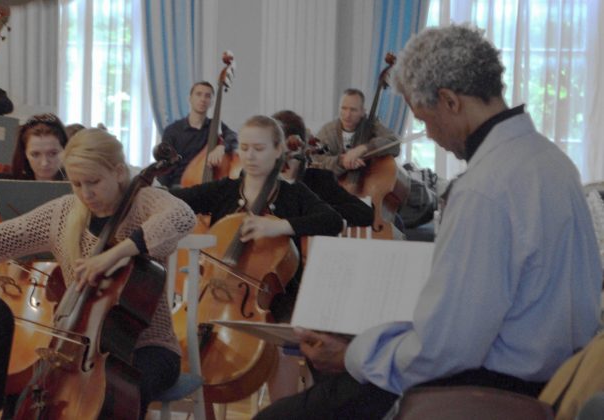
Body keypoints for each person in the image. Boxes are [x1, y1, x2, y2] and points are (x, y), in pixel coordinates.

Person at [255, 24, 602, 420]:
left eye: (426, 119)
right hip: (558, 377)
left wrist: (354, 352)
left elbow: (444, 351)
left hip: (488, 387)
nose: (431, 136)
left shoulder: (483, 189)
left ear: (450, 101)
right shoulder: (554, 163)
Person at [0, 128, 196, 419]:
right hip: (77, 349)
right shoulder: (63, 213)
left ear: (117, 171)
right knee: (23, 393)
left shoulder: (144, 201)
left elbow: (182, 216)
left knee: (112, 396)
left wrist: (114, 254)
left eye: (93, 182)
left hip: (147, 347)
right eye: (76, 184)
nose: (85, 193)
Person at [170, 115, 343, 322]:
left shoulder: (294, 194)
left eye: (259, 149)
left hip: (274, 306)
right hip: (214, 296)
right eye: (244, 148)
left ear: (278, 150)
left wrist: (279, 227)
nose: (250, 156)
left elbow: (333, 221)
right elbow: (174, 199)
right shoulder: (224, 190)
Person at [272, 109, 373, 228]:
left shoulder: (320, 179)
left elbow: (365, 213)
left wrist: (317, 211)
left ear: (298, 146)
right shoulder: (262, 180)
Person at [0, 113, 69, 211]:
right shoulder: (6, 185)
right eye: (35, 154)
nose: (44, 163)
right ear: (24, 154)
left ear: (66, 150)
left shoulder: (78, 186)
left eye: (53, 153)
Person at [157, 81, 238, 188]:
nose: (203, 99)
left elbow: (233, 137)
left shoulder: (215, 126)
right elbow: (164, 167)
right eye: (198, 94)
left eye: (207, 96)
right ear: (190, 98)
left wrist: (222, 147)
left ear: (211, 102)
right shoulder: (172, 130)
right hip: (180, 186)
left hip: (208, 184)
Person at [312, 88, 400, 177]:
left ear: (362, 112)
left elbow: (394, 144)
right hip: (335, 185)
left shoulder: (372, 126)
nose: (347, 115)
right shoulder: (328, 131)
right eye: (344, 108)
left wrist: (364, 148)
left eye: (353, 110)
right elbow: (316, 159)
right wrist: (341, 161)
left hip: (368, 182)